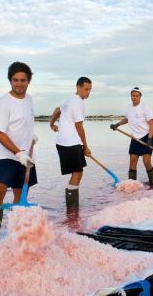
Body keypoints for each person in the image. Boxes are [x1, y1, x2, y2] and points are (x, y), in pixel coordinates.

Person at [0, 61, 37, 240]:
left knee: (20, 197)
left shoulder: (29, 99)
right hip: (4, 155)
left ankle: (15, 238)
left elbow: (24, 122)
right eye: (15, 80)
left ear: (28, 81)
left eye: (23, 80)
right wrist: (18, 153)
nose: (19, 84)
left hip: (25, 156)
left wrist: (32, 136)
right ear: (10, 81)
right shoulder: (3, 102)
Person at [49, 77, 92, 209]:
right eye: (86, 89)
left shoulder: (69, 100)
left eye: (90, 89)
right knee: (77, 173)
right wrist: (86, 147)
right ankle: (72, 209)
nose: (88, 92)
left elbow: (57, 110)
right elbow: (79, 127)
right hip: (71, 143)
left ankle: (72, 209)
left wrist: (51, 124)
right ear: (78, 87)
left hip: (64, 143)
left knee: (77, 173)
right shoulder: (77, 102)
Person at [110, 87, 153, 185]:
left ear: (140, 97)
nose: (134, 97)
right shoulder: (128, 107)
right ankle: (132, 185)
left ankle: (152, 183)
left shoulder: (145, 107)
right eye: (133, 95)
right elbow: (126, 119)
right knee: (133, 161)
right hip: (135, 138)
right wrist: (117, 124)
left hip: (146, 136)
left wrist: (150, 139)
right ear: (131, 96)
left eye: (137, 96)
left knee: (146, 161)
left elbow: (151, 124)